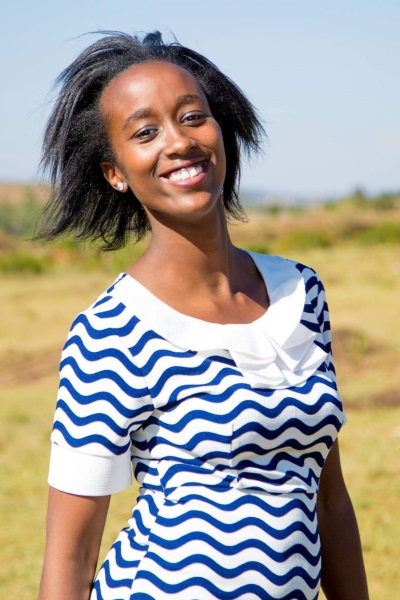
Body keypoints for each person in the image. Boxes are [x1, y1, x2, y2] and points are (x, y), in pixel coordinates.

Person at [38, 31, 369, 600]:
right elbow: (70, 555)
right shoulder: (109, 331)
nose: (179, 142)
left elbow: (329, 499)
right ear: (115, 172)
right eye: (145, 132)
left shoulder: (300, 293)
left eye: (193, 117)